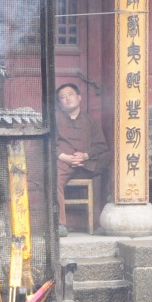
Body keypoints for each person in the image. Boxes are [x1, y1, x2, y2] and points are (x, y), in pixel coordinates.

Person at [54, 83, 110, 235]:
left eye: (70, 94)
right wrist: (65, 157)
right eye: (62, 97)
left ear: (79, 97)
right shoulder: (55, 120)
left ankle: (102, 221)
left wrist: (85, 155)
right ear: (60, 103)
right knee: (53, 178)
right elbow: (49, 143)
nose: (67, 99)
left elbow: (101, 146)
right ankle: (60, 224)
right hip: (63, 163)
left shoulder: (91, 121)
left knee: (111, 161)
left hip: (87, 165)